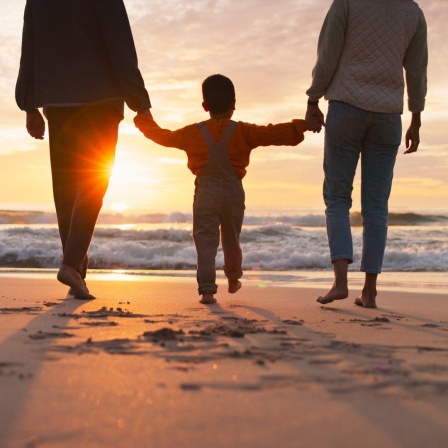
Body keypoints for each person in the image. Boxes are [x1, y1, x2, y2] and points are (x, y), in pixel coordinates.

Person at [135, 74, 314, 304]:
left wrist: (143, 119)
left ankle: (207, 291)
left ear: (204, 106)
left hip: (205, 191)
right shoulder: (244, 131)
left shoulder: (191, 133)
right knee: (232, 238)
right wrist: (304, 126)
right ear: (234, 104)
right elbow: (274, 133)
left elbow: (162, 136)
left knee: (205, 241)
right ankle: (232, 279)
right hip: (233, 191)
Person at [16, 0, 152, 300]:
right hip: (101, 100)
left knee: (66, 189)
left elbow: (30, 50)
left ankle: (77, 270)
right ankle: (70, 265)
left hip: (57, 102)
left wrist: (30, 106)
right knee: (92, 183)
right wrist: (140, 103)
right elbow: (120, 46)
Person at [306, 0, 428, 308]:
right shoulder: (413, 12)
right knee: (376, 207)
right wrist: (416, 117)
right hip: (389, 115)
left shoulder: (347, 3)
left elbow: (328, 53)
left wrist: (313, 99)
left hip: (346, 106)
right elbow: (417, 70)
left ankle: (340, 282)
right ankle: (370, 292)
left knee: (337, 198)